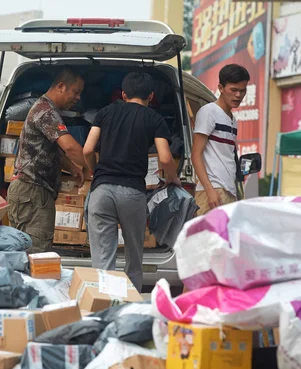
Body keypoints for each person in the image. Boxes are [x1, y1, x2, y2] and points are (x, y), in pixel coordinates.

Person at [83, 72, 180, 291]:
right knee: (134, 259)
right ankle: (129, 308)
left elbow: (88, 149)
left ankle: (104, 307)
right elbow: (165, 158)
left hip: (102, 190)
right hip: (132, 193)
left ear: (124, 94)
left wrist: (94, 171)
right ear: (151, 95)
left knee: (103, 260)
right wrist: (173, 177)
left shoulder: (105, 113)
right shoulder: (154, 119)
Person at [8, 68, 87, 253]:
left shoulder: (48, 110)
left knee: (30, 252)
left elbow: (51, 150)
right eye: (76, 92)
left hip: (33, 192)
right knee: (35, 253)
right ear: (61, 86)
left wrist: (72, 167)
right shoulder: (46, 112)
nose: (78, 98)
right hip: (32, 191)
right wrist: (97, 167)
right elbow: (69, 146)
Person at [191, 64, 249, 216]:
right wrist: (210, 190)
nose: (238, 95)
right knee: (208, 239)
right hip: (212, 191)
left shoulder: (232, 119)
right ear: (221, 88)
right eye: (233, 90)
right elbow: (196, 155)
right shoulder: (209, 112)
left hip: (228, 190)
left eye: (242, 90)